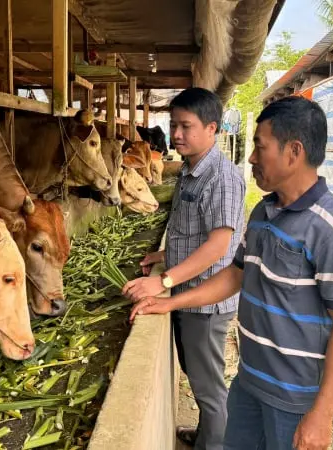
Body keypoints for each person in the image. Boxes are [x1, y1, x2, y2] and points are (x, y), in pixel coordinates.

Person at [131, 96, 333, 450]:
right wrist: (169, 302)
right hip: (250, 382)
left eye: (260, 147)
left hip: (295, 400)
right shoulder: (263, 213)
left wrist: (322, 414)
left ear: (294, 152)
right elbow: (235, 275)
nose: (252, 158)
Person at [122, 87, 245, 450]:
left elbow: (219, 245)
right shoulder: (192, 170)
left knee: (209, 389)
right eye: (173, 125)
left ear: (212, 128)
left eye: (185, 126)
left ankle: (214, 445)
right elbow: (194, 231)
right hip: (189, 293)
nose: (176, 134)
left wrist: (163, 280)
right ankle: (207, 435)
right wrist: (163, 256)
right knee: (198, 374)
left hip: (205, 302)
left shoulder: (221, 177)